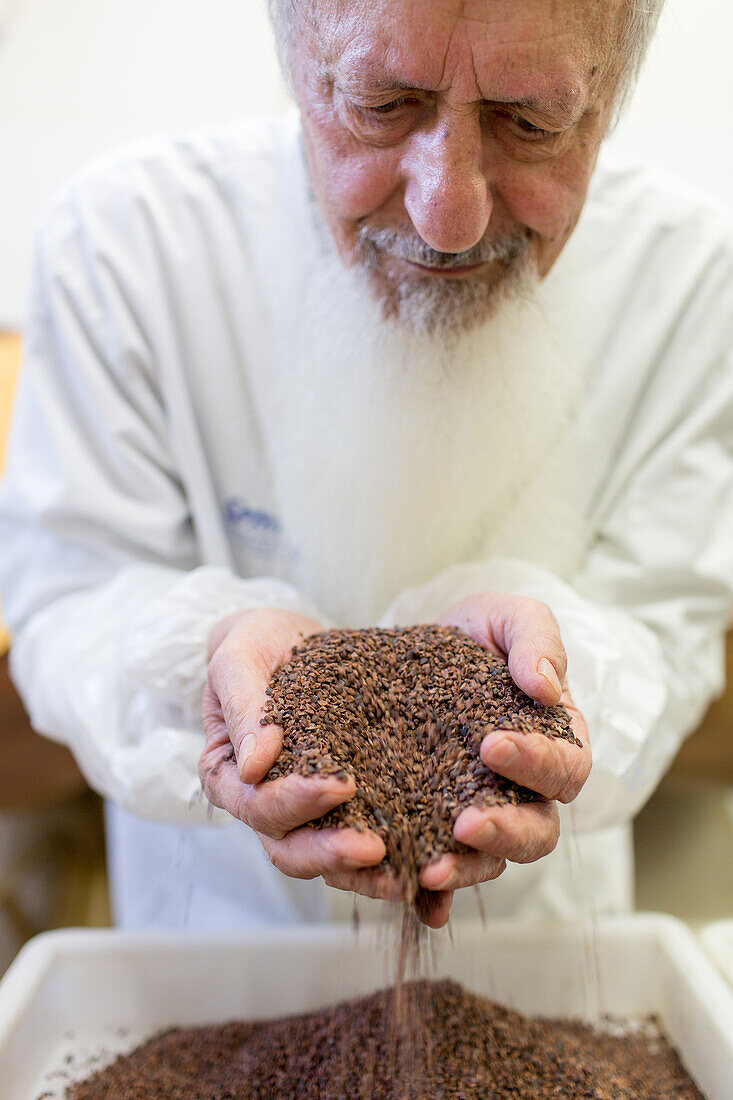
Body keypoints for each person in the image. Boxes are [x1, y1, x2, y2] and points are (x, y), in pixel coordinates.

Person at [1, 0, 732, 931]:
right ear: (294, 63)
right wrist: (213, 647)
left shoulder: (684, 281)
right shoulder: (130, 246)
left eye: (530, 123)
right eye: (381, 105)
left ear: (612, 100)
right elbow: (70, 597)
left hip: (533, 960)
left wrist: (543, 669)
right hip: (218, 959)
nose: (449, 215)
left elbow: (661, 633)